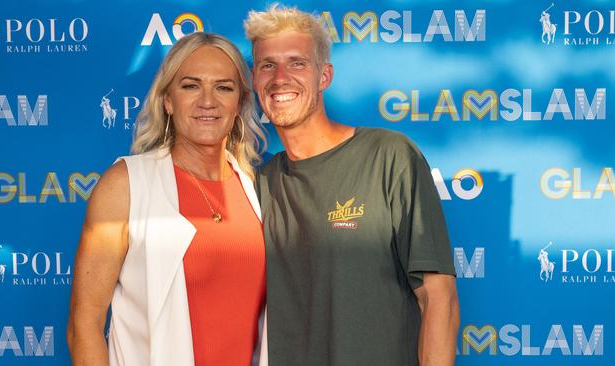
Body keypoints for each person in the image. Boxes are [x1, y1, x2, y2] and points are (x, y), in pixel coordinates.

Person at [245, 5, 459, 366]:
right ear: (254, 79)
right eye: (268, 65)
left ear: (324, 76)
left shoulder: (390, 156)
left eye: (297, 63)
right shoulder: (259, 183)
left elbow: (438, 297)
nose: (280, 78)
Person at [67, 32, 268, 366]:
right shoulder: (126, 185)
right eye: (190, 86)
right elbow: (83, 325)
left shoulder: (254, 188)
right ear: (168, 100)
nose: (208, 101)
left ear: (240, 104)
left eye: (224, 87)